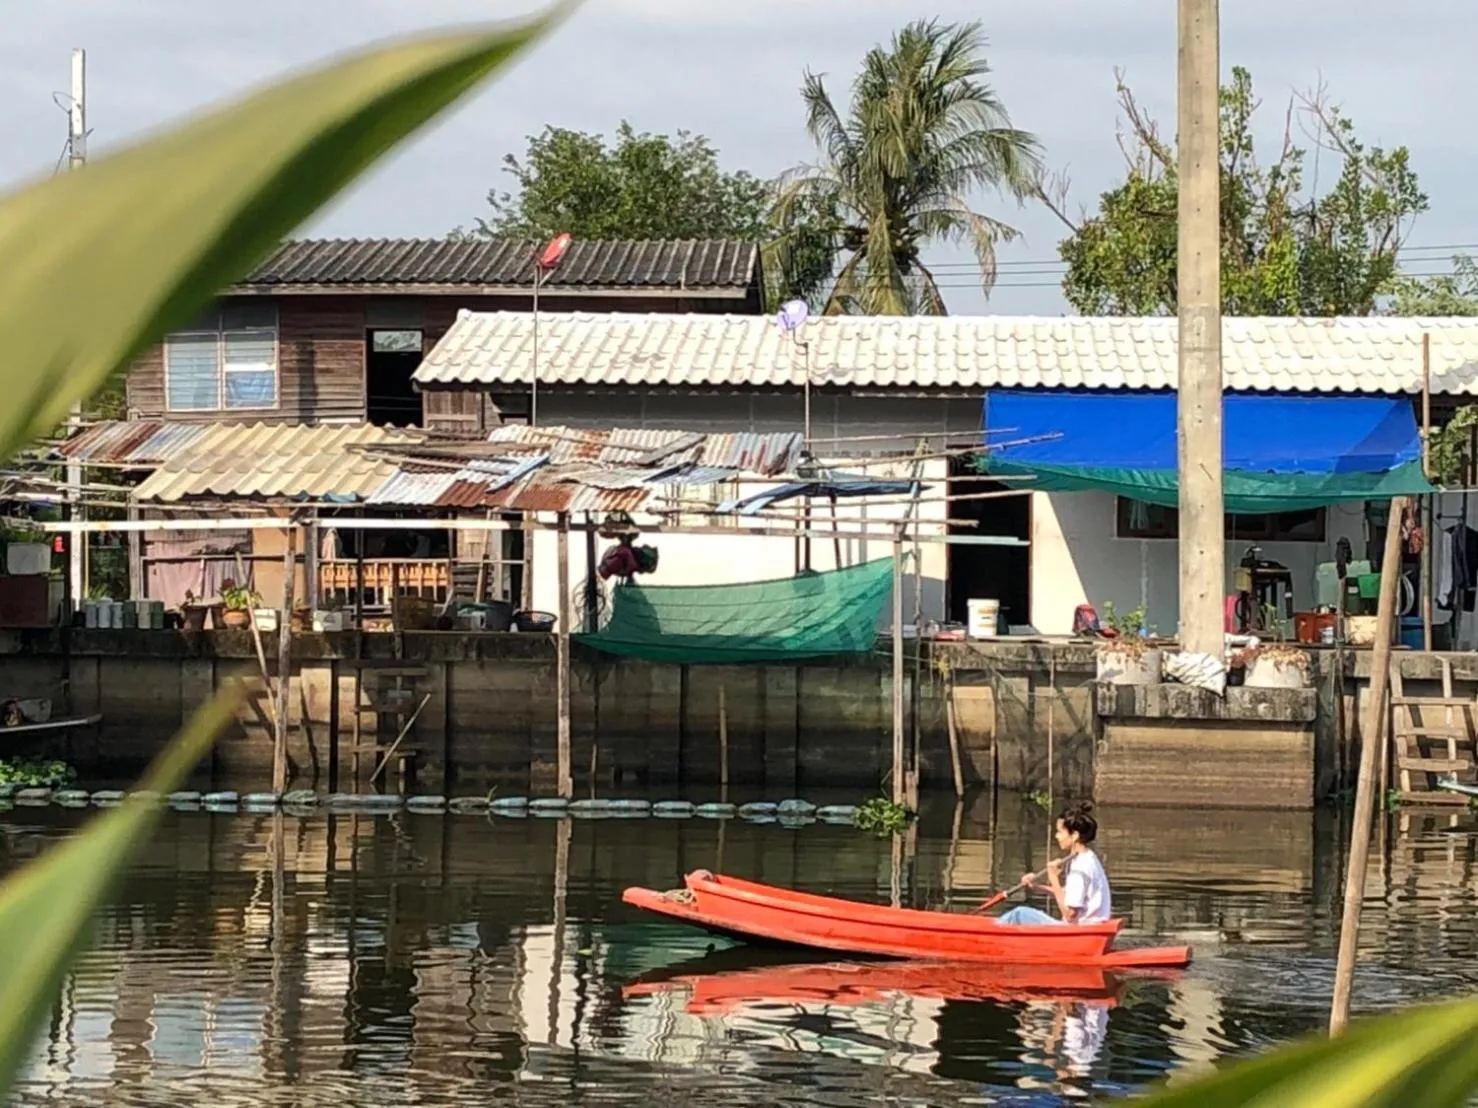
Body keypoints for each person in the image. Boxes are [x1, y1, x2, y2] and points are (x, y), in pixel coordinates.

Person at [997, 802, 1112, 926]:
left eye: (1060, 832)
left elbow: (1070, 915)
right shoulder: (1087, 857)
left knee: (1019, 914)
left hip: (1080, 931)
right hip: (1086, 928)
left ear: (1074, 836)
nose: (1057, 836)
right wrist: (1037, 887)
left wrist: (1053, 878)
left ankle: (989, 933)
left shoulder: (1081, 867)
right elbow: (1070, 894)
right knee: (1021, 914)